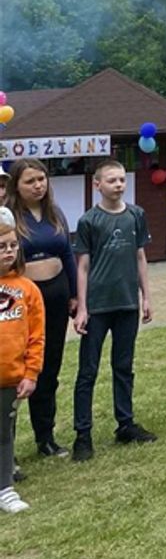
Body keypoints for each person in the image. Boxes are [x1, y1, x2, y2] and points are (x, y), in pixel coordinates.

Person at [71, 158, 158, 462]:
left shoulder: (136, 215)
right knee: (88, 371)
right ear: (98, 185)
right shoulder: (89, 221)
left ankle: (126, 424)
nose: (118, 185)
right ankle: (82, 434)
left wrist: (146, 297)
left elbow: (140, 258)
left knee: (123, 366)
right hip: (97, 306)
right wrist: (82, 308)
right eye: (111, 180)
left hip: (127, 304)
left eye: (122, 179)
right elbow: (82, 266)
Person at [5, 159, 76, 458]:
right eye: (30, 181)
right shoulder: (10, 218)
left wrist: (75, 295)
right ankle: (6, 448)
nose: (38, 185)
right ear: (16, 186)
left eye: (42, 179)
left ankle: (44, 437)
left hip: (57, 295)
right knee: (16, 369)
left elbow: (68, 254)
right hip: (22, 300)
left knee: (49, 367)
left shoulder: (54, 213)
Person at [0, 207, 44, 513]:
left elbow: (36, 338)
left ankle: (5, 489)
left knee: (4, 434)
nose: (8, 252)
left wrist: (31, 373)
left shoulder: (28, 290)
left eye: (13, 246)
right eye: (1, 247)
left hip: (11, 379)